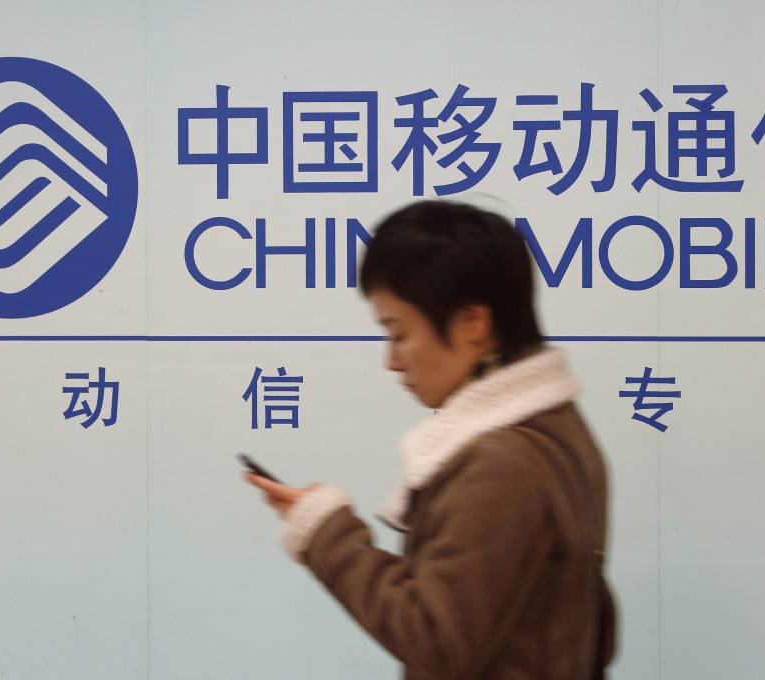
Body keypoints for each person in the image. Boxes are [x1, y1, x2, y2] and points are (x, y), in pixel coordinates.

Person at [245, 200, 616, 680]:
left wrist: (325, 532)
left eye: (399, 334)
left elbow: (437, 641)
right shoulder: (558, 428)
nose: (392, 362)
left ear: (471, 324)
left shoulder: (501, 466)